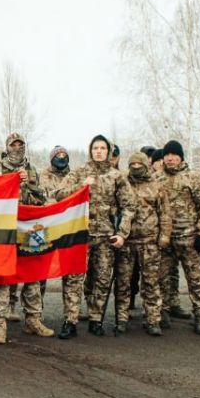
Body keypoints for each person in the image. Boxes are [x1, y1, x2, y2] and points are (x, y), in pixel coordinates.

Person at [54, 135, 135, 338]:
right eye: (95, 148)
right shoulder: (79, 173)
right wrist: (81, 186)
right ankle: (70, 320)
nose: (99, 151)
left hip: (106, 237)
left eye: (103, 148)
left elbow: (129, 206)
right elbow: (59, 194)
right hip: (80, 235)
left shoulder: (117, 176)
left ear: (108, 152)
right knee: (73, 278)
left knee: (102, 279)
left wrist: (122, 234)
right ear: (90, 151)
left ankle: (96, 319)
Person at [0, 132, 53, 343]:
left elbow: (41, 197)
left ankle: (33, 319)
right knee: (4, 278)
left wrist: (29, 183)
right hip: (4, 229)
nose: (17, 148)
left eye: (20, 144)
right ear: (7, 147)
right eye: (13, 145)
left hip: (27, 229)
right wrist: (9, 180)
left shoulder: (31, 170)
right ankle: (0, 324)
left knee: (32, 275)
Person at [157, 140, 200, 335]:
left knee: (195, 279)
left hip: (188, 238)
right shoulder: (156, 178)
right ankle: (162, 312)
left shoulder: (193, 178)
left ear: (181, 157)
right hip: (165, 239)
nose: (170, 158)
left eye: (174, 154)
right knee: (162, 278)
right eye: (167, 155)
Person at [118, 152, 170, 336]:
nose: (135, 167)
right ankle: (121, 318)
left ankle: (153, 319)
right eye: (132, 164)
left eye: (139, 164)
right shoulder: (123, 183)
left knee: (151, 282)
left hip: (149, 242)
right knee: (123, 282)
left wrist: (164, 236)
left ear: (145, 165)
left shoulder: (156, 186)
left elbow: (164, 213)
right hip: (126, 242)